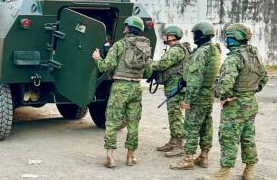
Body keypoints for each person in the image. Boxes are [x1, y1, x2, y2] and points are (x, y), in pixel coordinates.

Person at [201, 23, 268, 180]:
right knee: (247, 137)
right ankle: (249, 171)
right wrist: (250, 91)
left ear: (234, 38)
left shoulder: (234, 58)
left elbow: (225, 85)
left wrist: (224, 95)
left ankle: (224, 173)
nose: (227, 40)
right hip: (250, 102)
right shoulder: (254, 54)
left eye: (229, 37)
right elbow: (264, 78)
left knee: (228, 137)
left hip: (236, 105)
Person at [92, 16, 151, 168]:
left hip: (120, 87)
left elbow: (106, 66)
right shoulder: (145, 46)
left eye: (125, 26)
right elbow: (148, 72)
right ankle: (131, 157)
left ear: (128, 28)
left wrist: (98, 58)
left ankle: (110, 158)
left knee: (112, 122)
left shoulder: (120, 45)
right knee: (133, 123)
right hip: (136, 87)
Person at [171, 21, 221, 170]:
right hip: (208, 93)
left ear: (202, 34)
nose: (194, 36)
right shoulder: (214, 50)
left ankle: (188, 159)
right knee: (206, 125)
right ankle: (204, 156)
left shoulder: (201, 52)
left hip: (198, 94)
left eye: (195, 34)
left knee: (191, 126)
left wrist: (188, 100)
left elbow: (195, 78)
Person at [148, 25, 191, 157]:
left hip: (175, 87)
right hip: (174, 86)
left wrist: (148, 62)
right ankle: (173, 141)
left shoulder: (176, 50)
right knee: (173, 115)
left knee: (175, 116)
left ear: (172, 36)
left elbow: (162, 65)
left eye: (165, 35)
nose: (163, 37)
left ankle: (179, 145)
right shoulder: (177, 49)